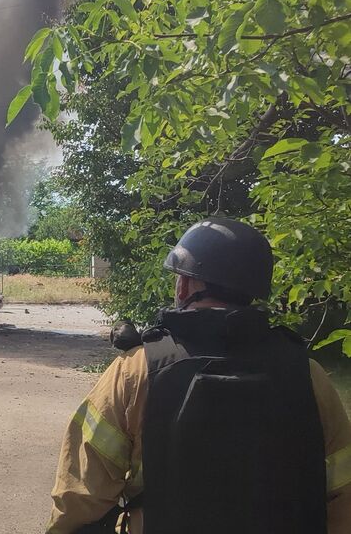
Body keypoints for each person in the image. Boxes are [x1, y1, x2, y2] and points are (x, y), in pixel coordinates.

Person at [46, 218, 351, 534]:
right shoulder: (307, 374)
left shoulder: (136, 370)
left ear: (184, 286)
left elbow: (80, 496)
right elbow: (343, 495)